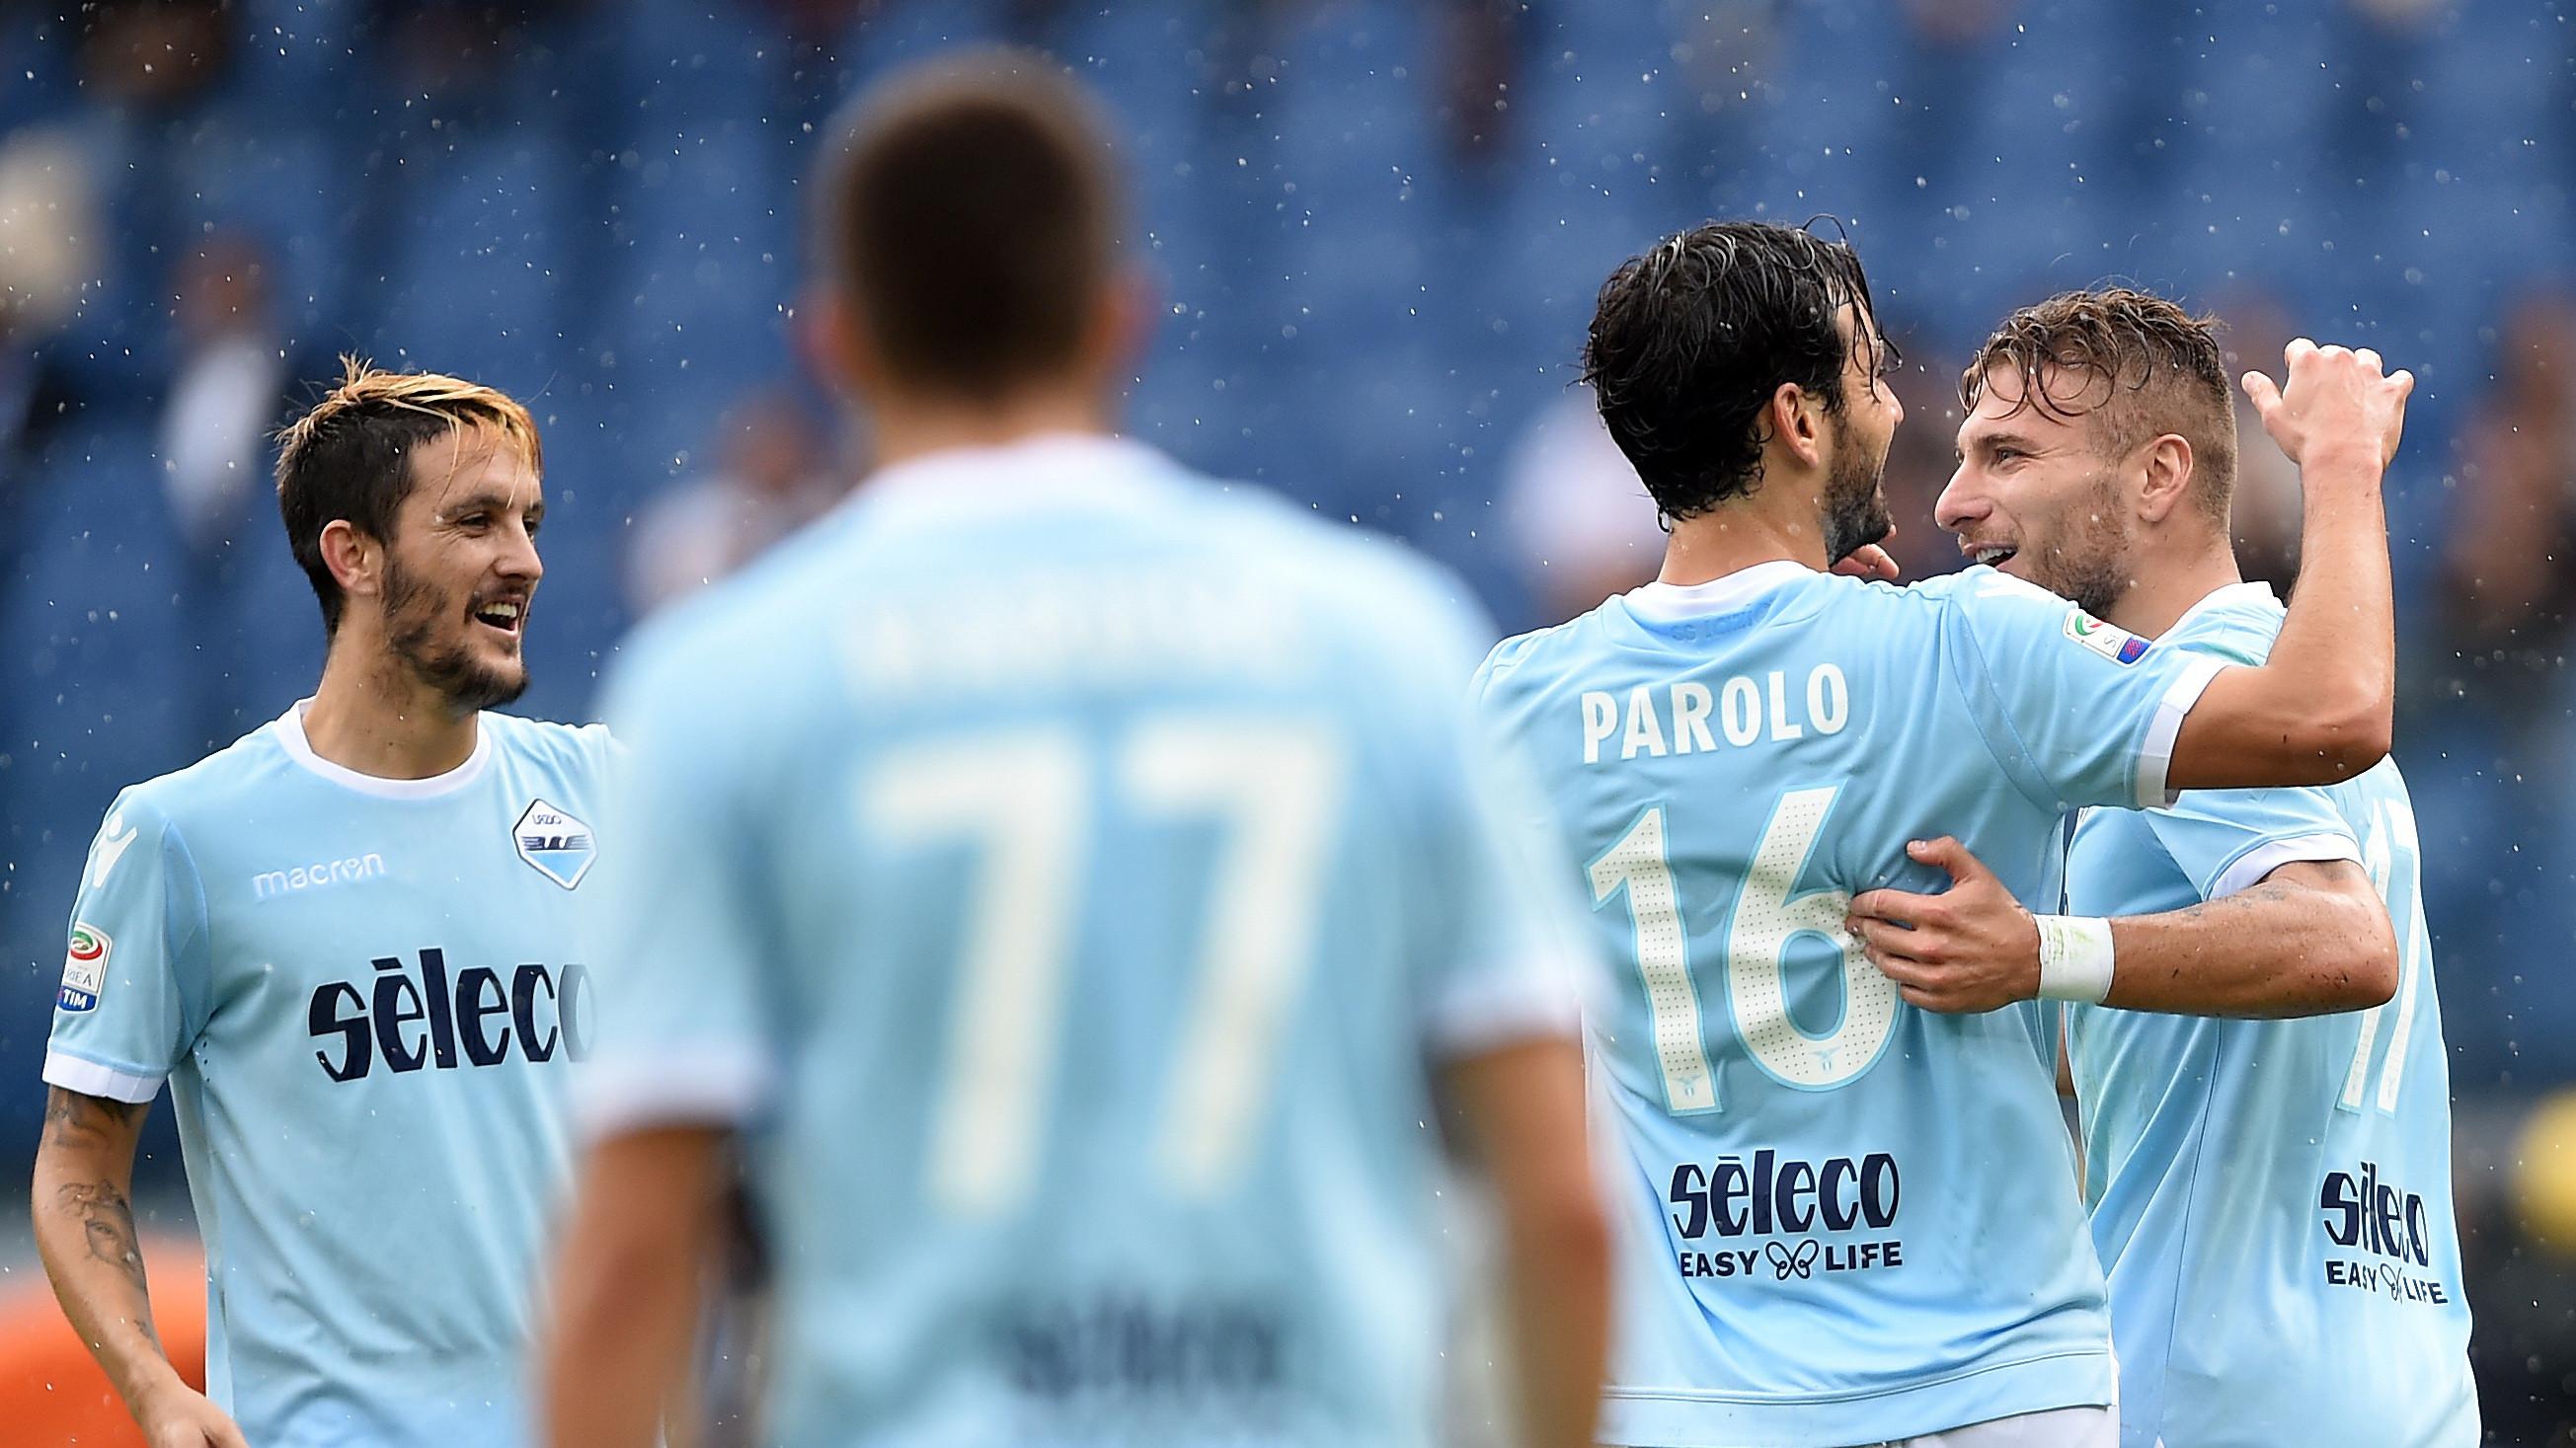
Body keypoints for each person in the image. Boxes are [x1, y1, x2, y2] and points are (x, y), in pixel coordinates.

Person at [539, 50, 1609, 1448]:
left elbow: (631, 1258)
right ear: (1123, 320)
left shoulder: (723, 682)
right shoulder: (1382, 640)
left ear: (836, 341)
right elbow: (1562, 1203)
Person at [1472, 221, 2410, 1447]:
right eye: (1869, 375)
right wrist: (2340, 469)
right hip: (1987, 1381)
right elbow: (2331, 717)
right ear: (1795, 422)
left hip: (1684, 1400)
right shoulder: (1965, 644)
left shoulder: (1517, 703)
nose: (1891, 409)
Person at [1842, 288, 2476, 1447]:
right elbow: (2141, 1051)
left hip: (2220, 1391)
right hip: (2400, 1385)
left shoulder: (2211, 668)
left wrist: (2039, 950)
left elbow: (2338, 942)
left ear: (2154, 479)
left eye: (2007, 454)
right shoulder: (2264, 706)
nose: (1950, 497)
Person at [31, 360, 611, 1448]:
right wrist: (155, 1388)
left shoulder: (606, 794)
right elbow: (78, 1155)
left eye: (530, 521)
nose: (524, 561)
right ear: (353, 554)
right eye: (476, 520)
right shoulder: (184, 836)